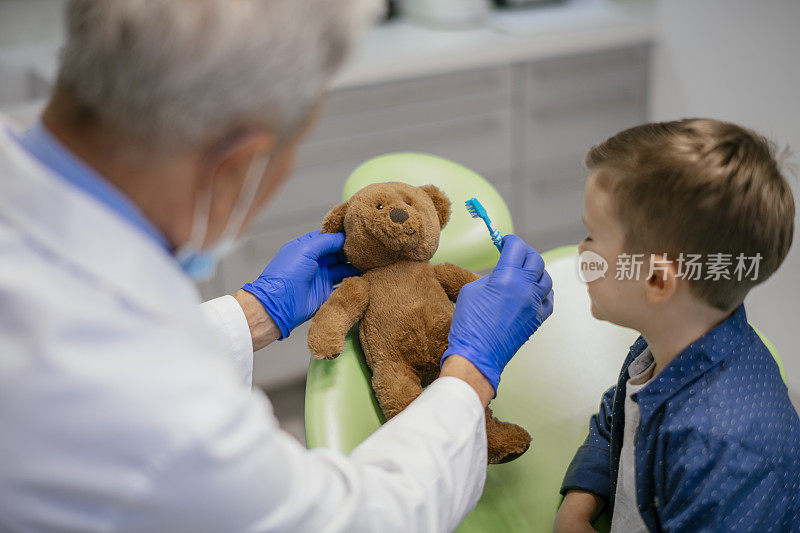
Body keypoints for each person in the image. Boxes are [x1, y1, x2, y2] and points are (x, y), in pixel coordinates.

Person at [0, 1, 555, 531]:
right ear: (234, 168)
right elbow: (361, 520)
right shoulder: (170, 412)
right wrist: (471, 371)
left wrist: (254, 312)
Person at [554, 119, 800, 532]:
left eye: (592, 236)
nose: (581, 250)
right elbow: (620, 415)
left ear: (657, 280)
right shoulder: (664, 347)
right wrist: (578, 507)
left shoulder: (721, 451)